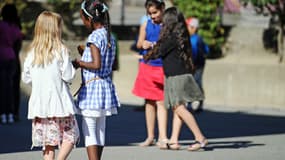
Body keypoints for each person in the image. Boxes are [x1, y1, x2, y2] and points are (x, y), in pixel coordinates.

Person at [144, 7, 208, 151]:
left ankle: (200, 138)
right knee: (178, 107)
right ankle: (174, 140)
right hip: (180, 75)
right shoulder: (181, 35)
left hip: (176, 77)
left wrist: (147, 48)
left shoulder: (171, 37)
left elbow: (158, 52)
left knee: (179, 108)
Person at [22, 11, 79, 160]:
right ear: (55, 29)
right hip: (60, 104)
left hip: (40, 105)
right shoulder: (60, 50)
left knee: (48, 143)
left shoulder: (31, 53)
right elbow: (68, 75)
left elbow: (26, 78)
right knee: (71, 135)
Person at [73, 1, 120, 160]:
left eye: (83, 19)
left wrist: (79, 63)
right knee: (100, 131)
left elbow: (96, 64)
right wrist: (85, 52)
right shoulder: (109, 35)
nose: (83, 22)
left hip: (93, 89)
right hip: (105, 87)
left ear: (89, 19)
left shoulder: (94, 36)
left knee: (90, 131)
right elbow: (110, 64)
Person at [132, 0, 169, 148]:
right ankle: (150, 136)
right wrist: (144, 43)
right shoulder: (146, 24)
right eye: (150, 13)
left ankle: (163, 137)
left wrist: (154, 44)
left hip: (161, 66)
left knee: (161, 102)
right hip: (147, 66)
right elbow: (139, 43)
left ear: (162, 9)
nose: (152, 16)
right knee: (149, 102)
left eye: (155, 12)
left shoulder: (167, 25)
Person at [0, 3, 23, 124]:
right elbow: (19, 42)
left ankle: (3, 113)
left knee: (3, 87)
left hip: (1, 57)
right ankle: (13, 113)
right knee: (13, 87)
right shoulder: (16, 27)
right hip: (13, 58)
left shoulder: (1, 25)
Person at [186, 17, 210, 113]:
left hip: (197, 65)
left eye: (188, 26)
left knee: (196, 82)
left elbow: (202, 51)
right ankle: (191, 103)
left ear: (193, 28)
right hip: (192, 64)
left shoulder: (196, 40)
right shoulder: (191, 38)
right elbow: (207, 50)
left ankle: (198, 103)